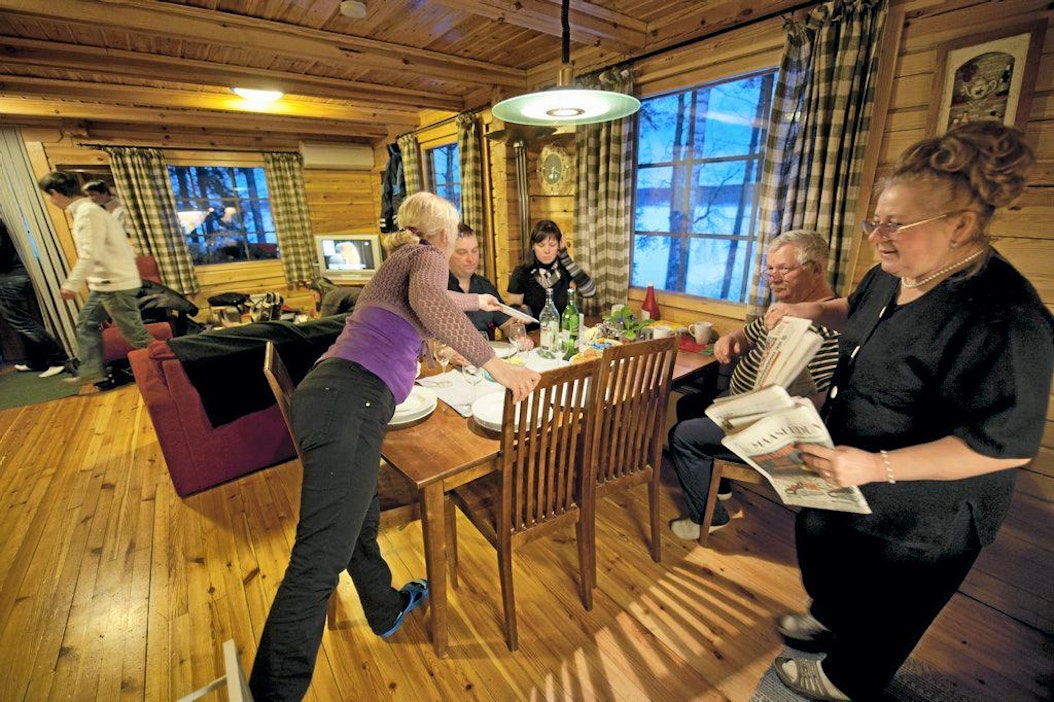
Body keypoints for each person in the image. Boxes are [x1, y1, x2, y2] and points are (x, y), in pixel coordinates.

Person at [765, 123, 1053, 701]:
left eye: (895, 225)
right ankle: (830, 620)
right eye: (874, 221)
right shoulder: (890, 273)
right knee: (831, 560)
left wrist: (876, 467)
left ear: (960, 225)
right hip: (851, 468)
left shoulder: (1005, 317)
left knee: (889, 609)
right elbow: (856, 310)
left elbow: (1004, 446)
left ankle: (844, 680)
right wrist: (813, 310)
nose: (877, 237)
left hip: (925, 510)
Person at [249, 192, 540, 700]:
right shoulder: (426, 256)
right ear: (444, 234)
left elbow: (428, 299)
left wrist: (480, 302)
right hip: (352, 399)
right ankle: (271, 693)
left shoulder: (401, 259)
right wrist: (497, 366)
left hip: (332, 393)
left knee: (358, 519)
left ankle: (383, 609)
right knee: (318, 558)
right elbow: (430, 300)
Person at [667, 230, 840, 539]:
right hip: (738, 403)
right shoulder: (785, 306)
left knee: (682, 435)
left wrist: (757, 409)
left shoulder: (830, 324)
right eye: (769, 269)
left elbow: (819, 401)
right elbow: (748, 335)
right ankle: (718, 487)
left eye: (783, 269)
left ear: (816, 269)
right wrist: (730, 338)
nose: (774, 278)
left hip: (768, 424)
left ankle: (707, 518)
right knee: (688, 404)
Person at [39, 171, 154, 388]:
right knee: (86, 324)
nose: (49, 200)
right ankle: (93, 372)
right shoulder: (88, 211)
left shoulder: (88, 213)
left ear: (55, 193)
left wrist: (71, 285)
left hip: (114, 284)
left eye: (47, 195)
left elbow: (90, 254)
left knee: (135, 334)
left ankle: (176, 363)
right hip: (106, 284)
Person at [0, 219, 69, 377]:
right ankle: (37, 360)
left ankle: (59, 359)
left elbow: (3, 256)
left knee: (24, 324)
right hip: (14, 277)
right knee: (23, 322)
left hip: (8, 279)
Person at [448, 223, 533, 347]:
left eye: (474, 251)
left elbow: (506, 324)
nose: (471, 259)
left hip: (488, 356)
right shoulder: (437, 287)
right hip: (451, 358)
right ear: (448, 253)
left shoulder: (484, 285)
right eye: (462, 252)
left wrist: (518, 335)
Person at [506, 219, 595, 320]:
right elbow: (513, 313)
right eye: (541, 245)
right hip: (534, 329)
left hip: (562, 328)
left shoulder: (565, 268)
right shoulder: (521, 272)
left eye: (552, 245)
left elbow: (589, 292)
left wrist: (565, 256)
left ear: (559, 246)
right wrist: (523, 313)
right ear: (533, 246)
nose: (547, 250)